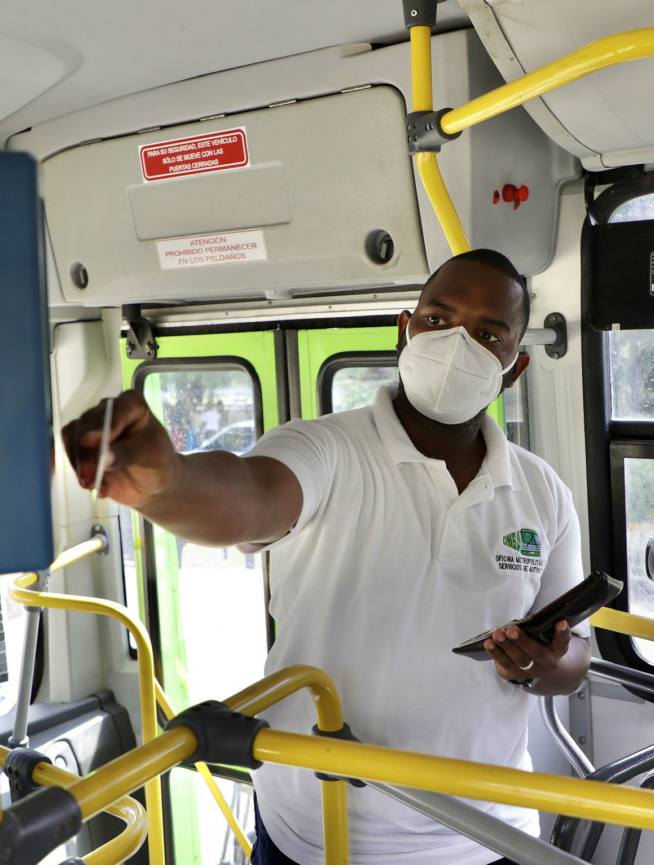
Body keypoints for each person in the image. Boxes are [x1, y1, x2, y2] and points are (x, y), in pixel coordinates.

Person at [63, 249, 592, 864]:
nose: (455, 345)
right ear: (405, 329)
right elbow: (252, 496)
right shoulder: (324, 447)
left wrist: (540, 664)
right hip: (318, 834)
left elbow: (575, 656)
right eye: (437, 320)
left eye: (487, 334)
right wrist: (169, 482)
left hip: (488, 833)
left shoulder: (542, 491)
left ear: (515, 366)